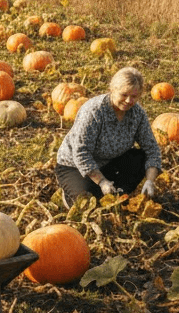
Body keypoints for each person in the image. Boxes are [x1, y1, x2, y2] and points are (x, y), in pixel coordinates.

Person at [54, 66, 162, 208]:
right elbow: (81, 152)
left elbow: (151, 149)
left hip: (109, 162)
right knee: (86, 203)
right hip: (74, 166)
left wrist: (150, 180)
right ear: (112, 89)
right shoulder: (94, 111)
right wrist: (102, 181)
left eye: (134, 96)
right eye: (124, 95)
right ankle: (74, 191)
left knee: (140, 158)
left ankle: (117, 193)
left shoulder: (137, 113)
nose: (129, 100)